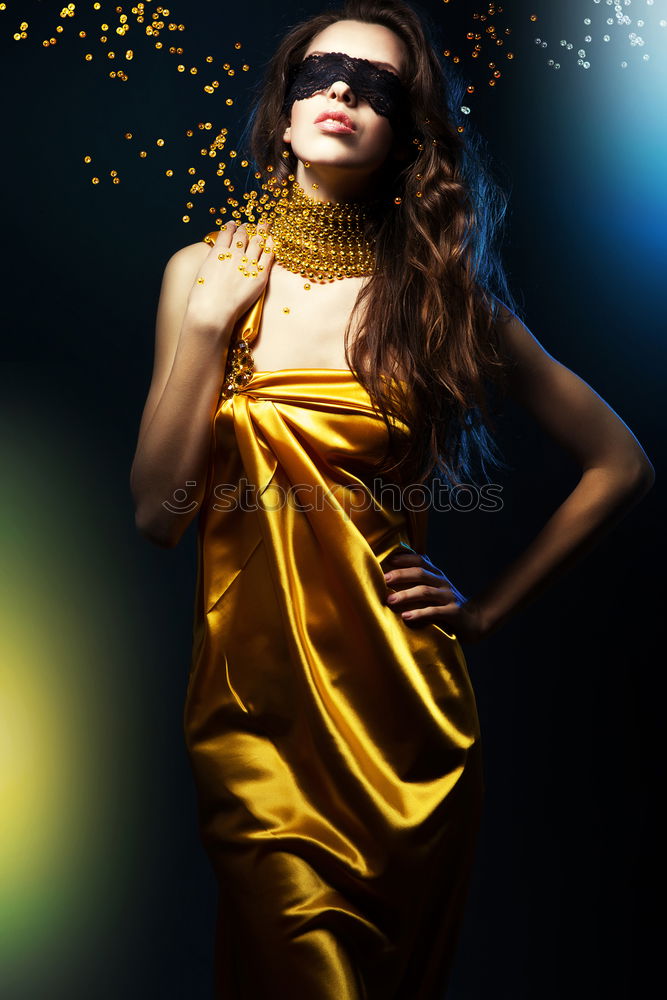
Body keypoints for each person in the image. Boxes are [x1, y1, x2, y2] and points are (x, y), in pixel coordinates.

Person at [129, 1, 655, 996]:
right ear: (281, 112)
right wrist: (204, 338)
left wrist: (485, 611)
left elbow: (619, 462)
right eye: (322, 73)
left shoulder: (439, 299)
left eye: (377, 87)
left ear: (408, 133)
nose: (341, 93)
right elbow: (159, 514)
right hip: (255, 717)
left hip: (403, 725)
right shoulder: (201, 275)